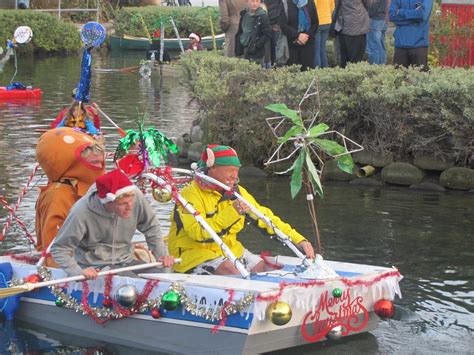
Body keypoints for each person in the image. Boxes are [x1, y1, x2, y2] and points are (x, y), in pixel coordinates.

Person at [168, 144, 315, 275]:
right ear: (212, 168)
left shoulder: (238, 192)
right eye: (229, 170)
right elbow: (198, 233)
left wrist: (299, 240)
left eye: (237, 170)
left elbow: (265, 217)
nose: (234, 176)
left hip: (229, 250)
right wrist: (232, 212)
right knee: (231, 270)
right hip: (192, 255)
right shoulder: (189, 194)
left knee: (264, 267)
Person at [50, 169, 175, 279]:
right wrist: (77, 272)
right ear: (107, 202)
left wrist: (162, 255)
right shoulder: (80, 212)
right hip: (96, 266)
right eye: (123, 204)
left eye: (131, 201)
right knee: (130, 281)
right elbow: (59, 248)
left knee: (164, 274)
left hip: (126, 260)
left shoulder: (134, 194)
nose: (130, 207)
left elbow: (151, 227)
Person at [35, 128, 106, 267]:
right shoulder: (58, 195)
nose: (100, 168)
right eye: (94, 163)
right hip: (71, 266)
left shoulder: (87, 190)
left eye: (101, 162)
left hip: (91, 257)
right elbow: (54, 245)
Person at [389, 0, 433, 70]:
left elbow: (422, 15)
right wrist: (415, 19)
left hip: (419, 45)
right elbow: (392, 16)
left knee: (420, 79)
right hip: (400, 45)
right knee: (399, 79)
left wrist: (401, 12)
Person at [280, 0, 318, 71]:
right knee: (292, 74)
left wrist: (307, 35)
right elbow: (283, 25)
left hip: (308, 43)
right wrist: (298, 35)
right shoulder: (285, 4)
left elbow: (315, 23)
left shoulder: (310, 2)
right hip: (292, 44)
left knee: (307, 72)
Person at [333, 0, 371, 68]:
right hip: (357, 27)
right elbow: (368, 4)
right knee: (356, 60)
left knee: (344, 59)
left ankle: (345, 76)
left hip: (342, 27)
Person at [367, 0, 390, 65]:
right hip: (383, 18)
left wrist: (368, 14)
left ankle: (374, 66)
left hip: (375, 19)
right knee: (380, 44)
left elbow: (374, 5)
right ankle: (382, 64)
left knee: (373, 45)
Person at [314, 0, 335, 68]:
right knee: (322, 48)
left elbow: (314, 5)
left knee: (316, 49)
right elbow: (333, 6)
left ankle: (317, 71)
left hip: (318, 22)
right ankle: (325, 69)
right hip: (327, 21)